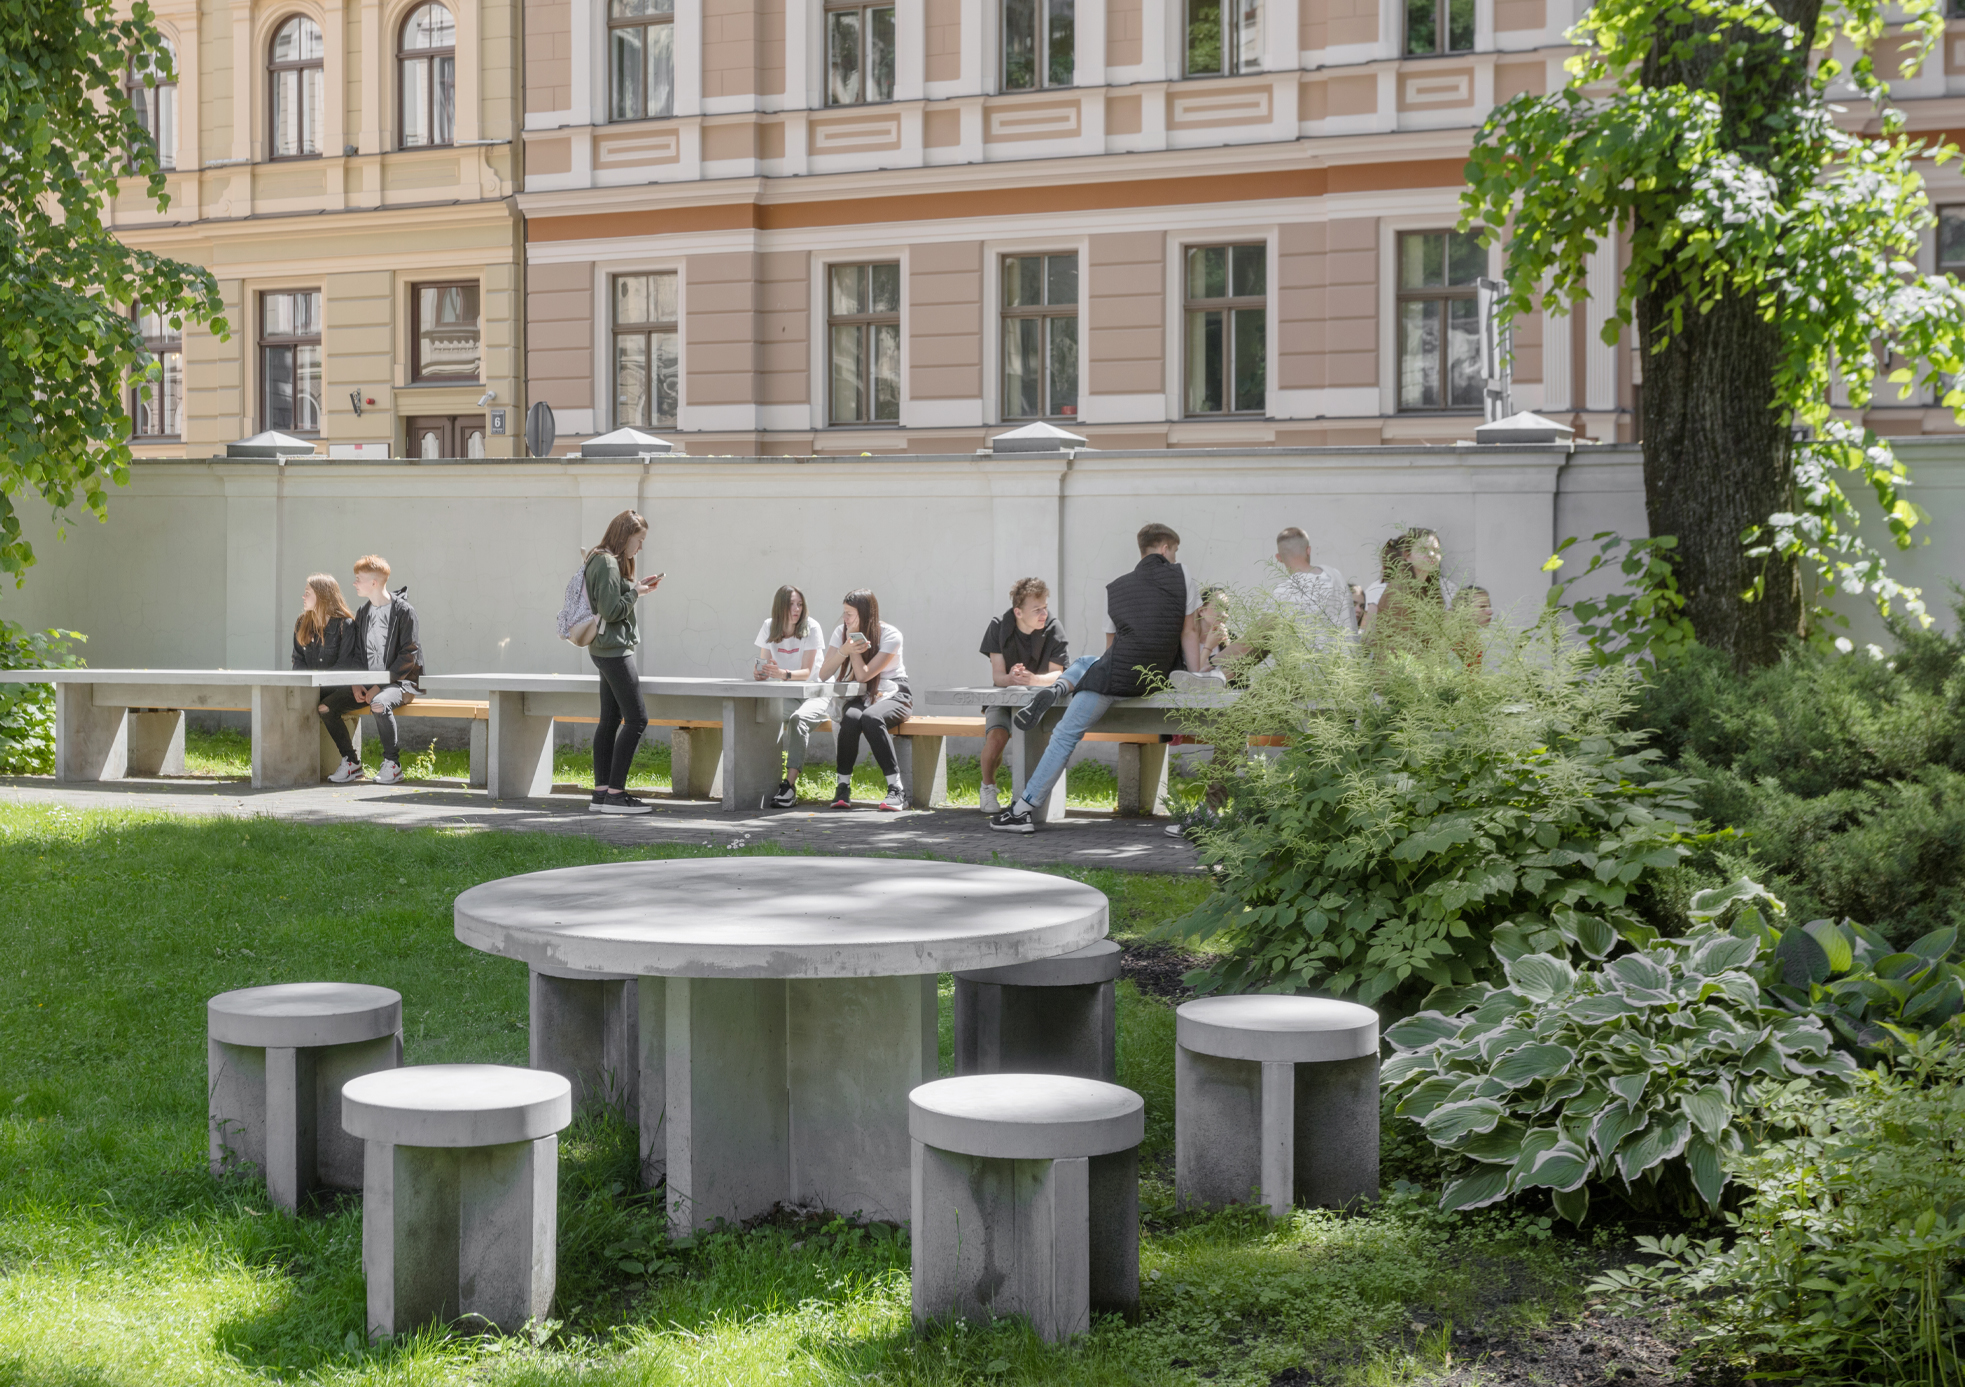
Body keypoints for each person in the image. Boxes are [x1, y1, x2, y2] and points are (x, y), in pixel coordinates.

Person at [991, 522, 1202, 834]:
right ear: (1166, 548)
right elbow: (1189, 632)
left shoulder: (1115, 588)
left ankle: (1022, 810)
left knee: (1065, 732)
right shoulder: (1183, 576)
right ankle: (1062, 683)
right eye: (1174, 551)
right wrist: (1194, 679)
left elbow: (1110, 651)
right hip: (1156, 676)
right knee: (1089, 664)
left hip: (1115, 676)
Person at [315, 555, 423, 786]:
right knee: (326, 708)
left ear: (374, 583)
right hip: (368, 685)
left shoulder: (404, 612)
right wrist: (356, 683)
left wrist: (377, 687)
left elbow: (408, 655)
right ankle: (351, 763)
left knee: (379, 704)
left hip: (400, 684)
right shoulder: (363, 612)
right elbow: (356, 654)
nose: (354, 583)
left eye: (358, 579)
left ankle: (393, 765)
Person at [583, 511, 664, 814]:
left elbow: (609, 600)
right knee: (637, 720)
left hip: (603, 648)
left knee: (609, 720)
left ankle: (602, 794)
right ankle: (616, 794)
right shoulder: (605, 562)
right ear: (625, 535)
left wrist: (634, 587)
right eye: (638, 540)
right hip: (614, 650)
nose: (639, 548)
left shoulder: (600, 558)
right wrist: (637, 593)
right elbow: (611, 609)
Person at [977, 577, 1069, 814]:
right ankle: (988, 787)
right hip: (1004, 697)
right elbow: (998, 676)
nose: (1044, 614)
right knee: (996, 738)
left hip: (1042, 701)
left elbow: (1058, 673)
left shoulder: (1053, 628)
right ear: (1018, 612)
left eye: (1045, 607)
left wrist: (1033, 680)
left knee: (1045, 742)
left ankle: (1035, 798)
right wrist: (1012, 678)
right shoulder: (999, 625)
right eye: (1037, 609)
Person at [817, 589, 909, 812]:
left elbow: (864, 674)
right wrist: (843, 649)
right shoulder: (841, 632)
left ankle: (896, 789)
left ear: (866, 614)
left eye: (849, 614)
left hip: (894, 693)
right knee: (850, 718)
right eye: (844, 613)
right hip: (862, 693)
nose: (845, 619)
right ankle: (843, 786)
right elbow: (823, 673)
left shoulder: (890, 635)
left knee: (870, 717)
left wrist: (853, 649)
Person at [754, 583, 828, 809]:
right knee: (761, 713)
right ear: (779, 608)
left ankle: (789, 786)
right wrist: (761, 672)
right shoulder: (769, 626)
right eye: (791, 605)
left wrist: (782, 674)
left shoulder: (811, 627)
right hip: (787, 694)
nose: (796, 610)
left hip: (816, 692)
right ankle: (757, 781)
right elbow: (763, 662)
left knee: (798, 719)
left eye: (799, 604)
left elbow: (807, 673)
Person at [294, 574, 365, 783]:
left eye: (308, 593)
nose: (303, 597)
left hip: (339, 687)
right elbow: (297, 660)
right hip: (312, 687)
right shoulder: (302, 622)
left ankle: (351, 762)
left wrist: (314, 687)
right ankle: (296, 763)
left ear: (323, 596)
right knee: (289, 701)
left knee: (324, 707)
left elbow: (343, 667)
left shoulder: (346, 625)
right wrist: (305, 685)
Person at [1271, 526, 1357, 648]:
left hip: (1315, 666)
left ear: (1279, 558)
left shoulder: (1283, 593)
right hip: (1351, 663)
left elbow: (1264, 635)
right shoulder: (1336, 575)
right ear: (1308, 550)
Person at [1361, 527, 1456, 635]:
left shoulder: (1434, 588)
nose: (1431, 555)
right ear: (1407, 556)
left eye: (1436, 550)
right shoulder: (1398, 591)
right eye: (1423, 550)